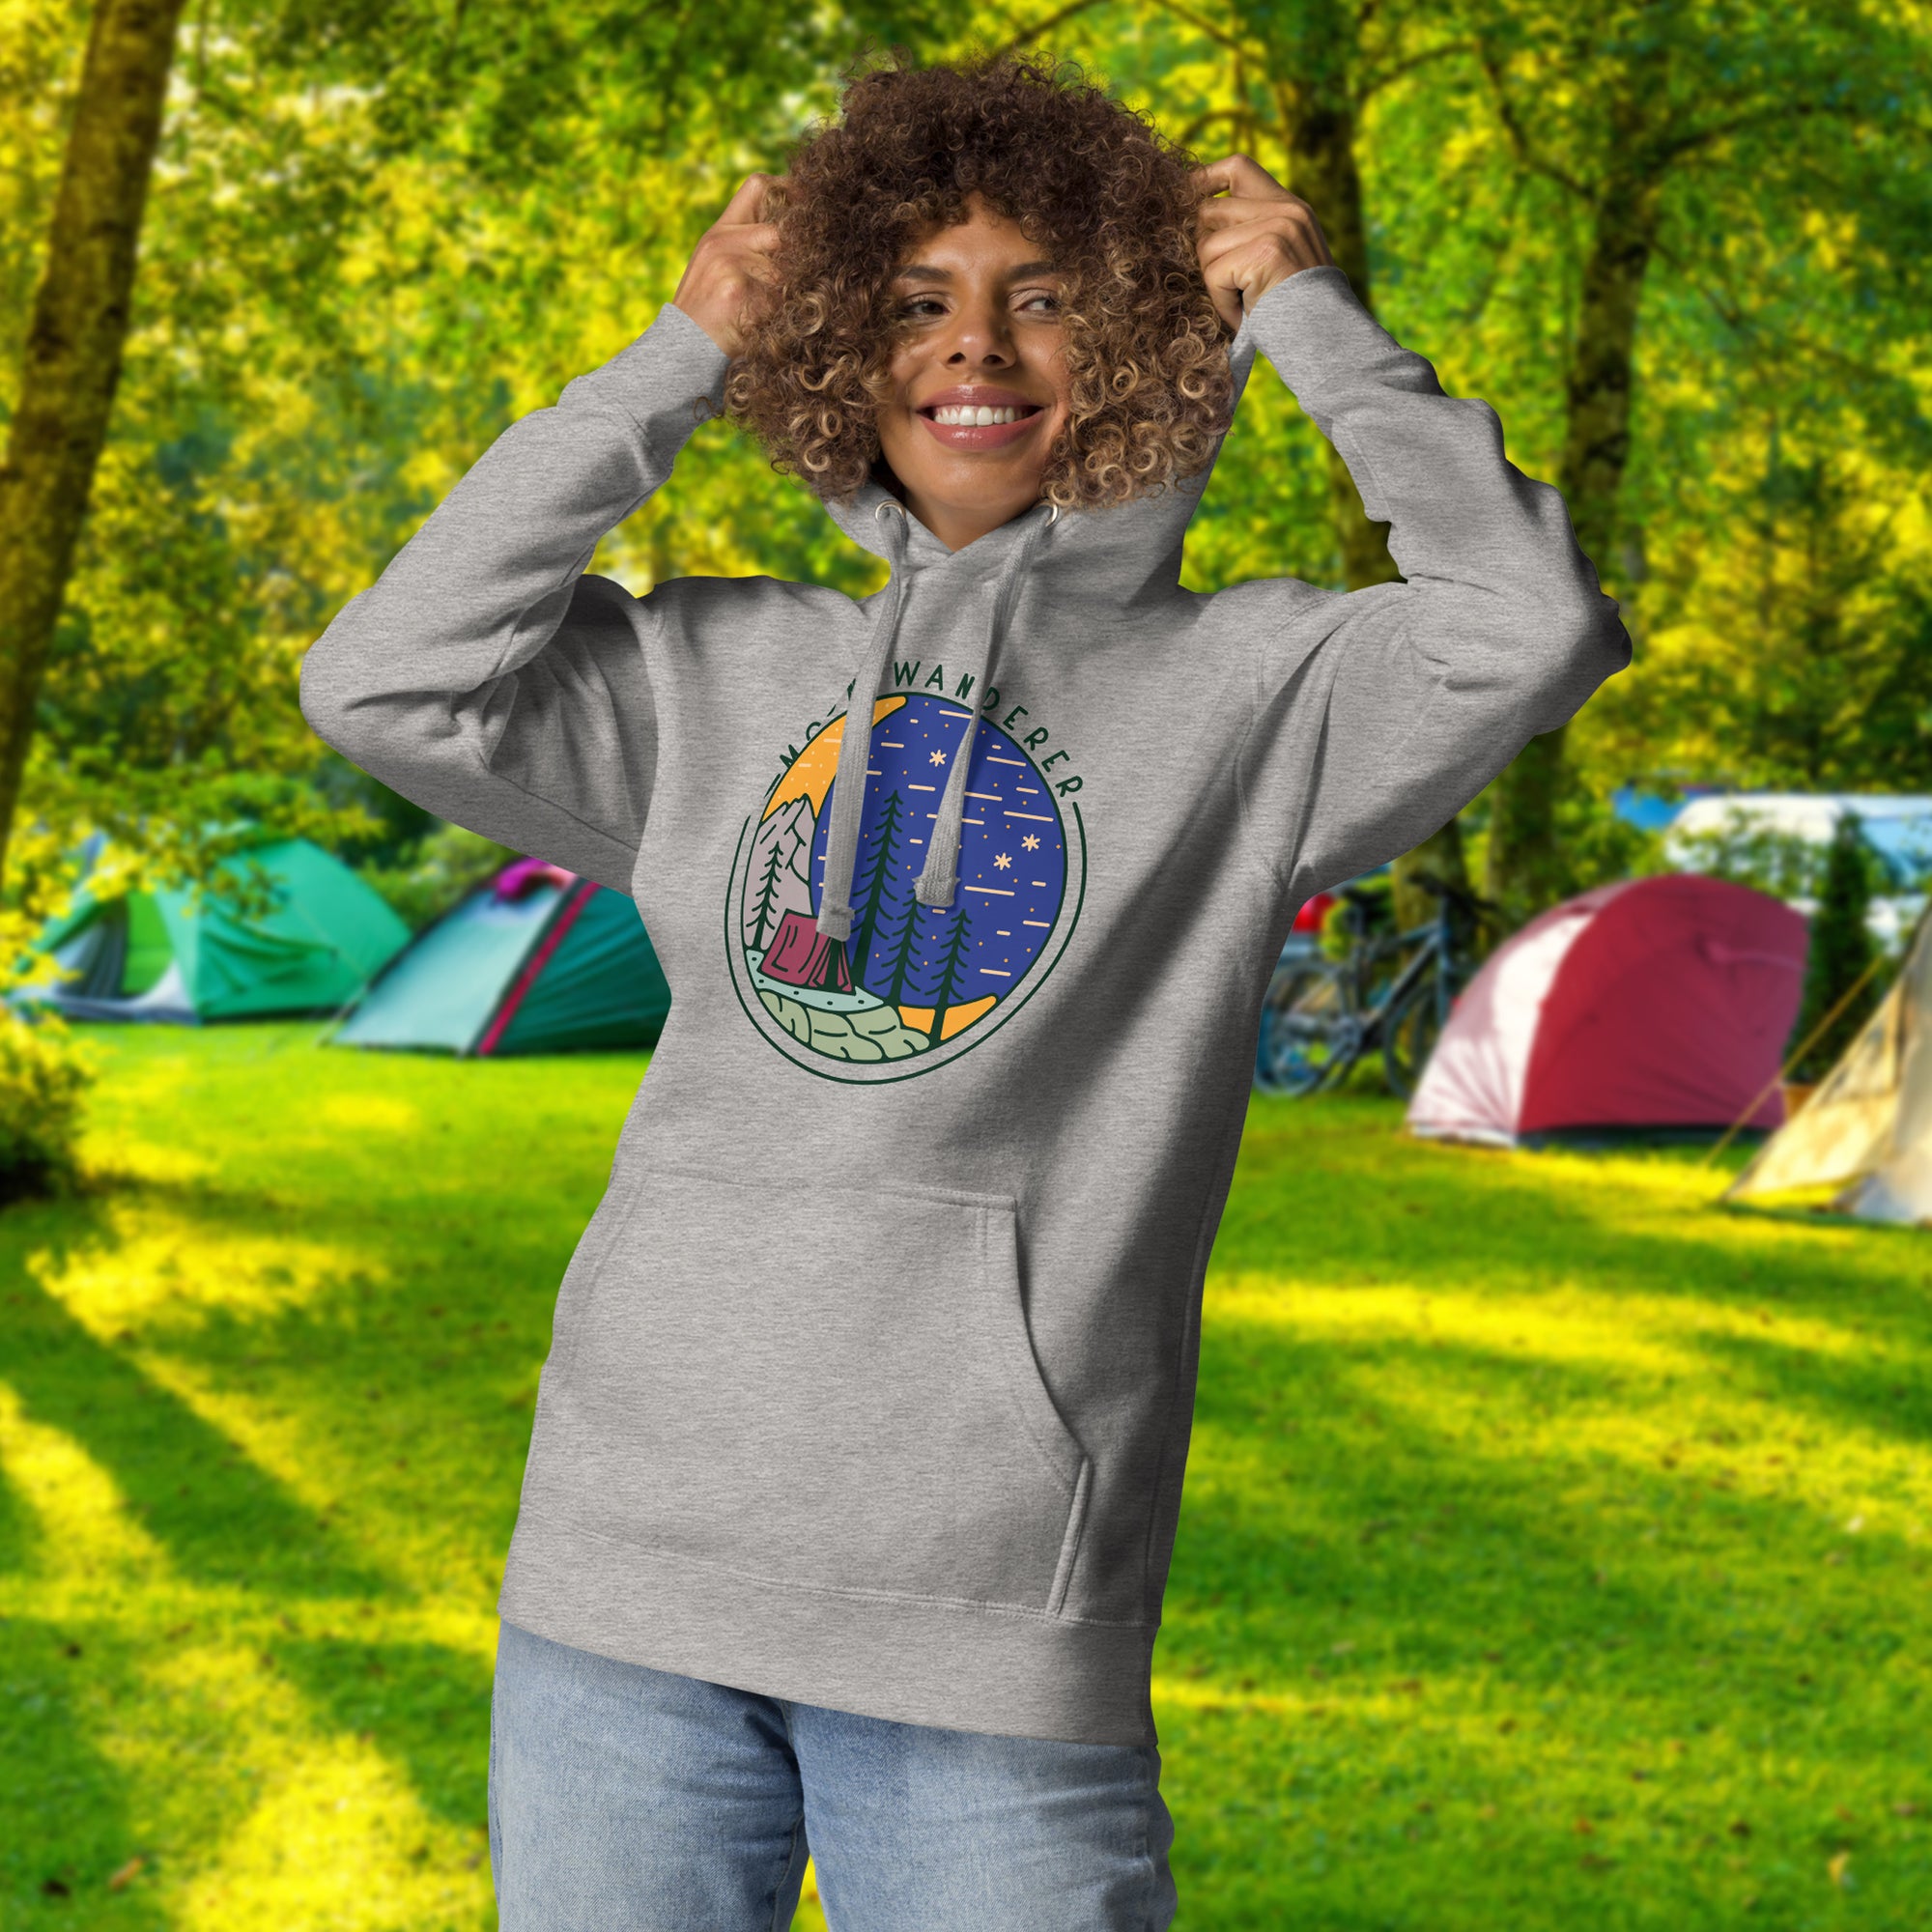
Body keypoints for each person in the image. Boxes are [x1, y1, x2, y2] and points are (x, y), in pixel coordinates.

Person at [298, 50, 1629, 1932]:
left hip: (988, 1634)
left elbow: (1535, 625)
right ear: (838, 340)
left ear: (1153, 342)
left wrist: (1315, 326)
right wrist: (677, 355)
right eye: (914, 301)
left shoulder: (1263, 698)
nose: (972, 347)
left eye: (1044, 296)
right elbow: (384, 684)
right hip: (617, 1591)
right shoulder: (710, 670)